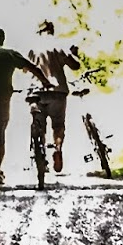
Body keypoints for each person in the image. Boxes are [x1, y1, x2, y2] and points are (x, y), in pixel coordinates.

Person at [0, 27, 49, 189]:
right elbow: (33, 67)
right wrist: (45, 82)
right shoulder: (10, 54)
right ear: (2, 40)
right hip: (2, 98)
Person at [28, 20, 81, 174]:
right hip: (58, 91)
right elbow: (75, 65)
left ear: (39, 32)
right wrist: (74, 55)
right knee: (58, 125)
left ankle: (41, 156)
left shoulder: (33, 48)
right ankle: (57, 148)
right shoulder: (60, 46)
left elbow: (25, 69)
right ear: (52, 30)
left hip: (36, 92)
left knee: (40, 126)